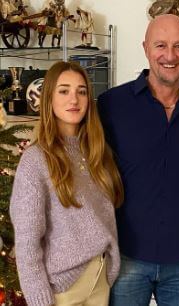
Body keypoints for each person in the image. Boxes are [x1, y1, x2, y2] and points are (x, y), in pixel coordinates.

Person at [97, 14, 179, 306]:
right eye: (161, 45)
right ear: (146, 48)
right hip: (127, 258)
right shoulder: (112, 104)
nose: (170, 56)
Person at [10, 61, 124, 306]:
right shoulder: (36, 160)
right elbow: (27, 245)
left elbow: (104, 215)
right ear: (49, 98)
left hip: (99, 280)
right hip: (63, 290)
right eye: (64, 90)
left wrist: (109, 269)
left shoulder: (96, 152)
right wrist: (41, 301)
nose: (74, 99)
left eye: (81, 91)